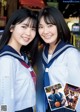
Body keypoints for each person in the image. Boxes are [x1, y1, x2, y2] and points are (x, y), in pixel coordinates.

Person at [36, 6, 80, 112]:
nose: (45, 31)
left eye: (50, 25)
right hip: (46, 107)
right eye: (41, 27)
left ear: (59, 26)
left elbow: (75, 89)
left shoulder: (70, 53)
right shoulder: (42, 53)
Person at [0, 8, 38, 112]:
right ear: (11, 28)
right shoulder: (7, 60)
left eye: (33, 29)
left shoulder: (21, 56)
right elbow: (4, 100)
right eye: (24, 27)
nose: (29, 33)